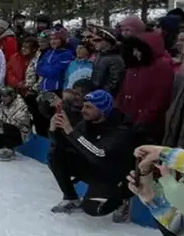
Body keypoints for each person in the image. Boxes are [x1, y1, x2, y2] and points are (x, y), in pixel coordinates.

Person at [47, 89, 136, 219]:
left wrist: (70, 131)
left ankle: (122, 199)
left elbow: (99, 154)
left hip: (113, 175)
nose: (83, 110)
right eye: (84, 106)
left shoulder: (121, 129)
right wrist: (53, 130)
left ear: (103, 110)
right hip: (93, 167)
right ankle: (71, 198)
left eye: (89, 107)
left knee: (92, 209)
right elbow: (69, 144)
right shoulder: (87, 122)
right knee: (55, 154)